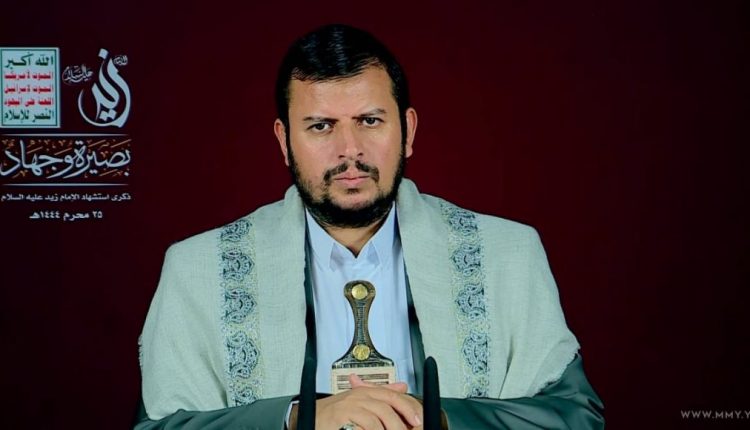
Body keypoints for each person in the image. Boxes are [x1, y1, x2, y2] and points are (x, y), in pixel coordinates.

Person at [135, 24, 605, 430]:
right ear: (284, 141)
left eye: (370, 120)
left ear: (408, 130)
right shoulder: (197, 271)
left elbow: (574, 417)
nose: (350, 149)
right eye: (321, 126)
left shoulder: (508, 255)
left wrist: (439, 418)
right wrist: (298, 418)